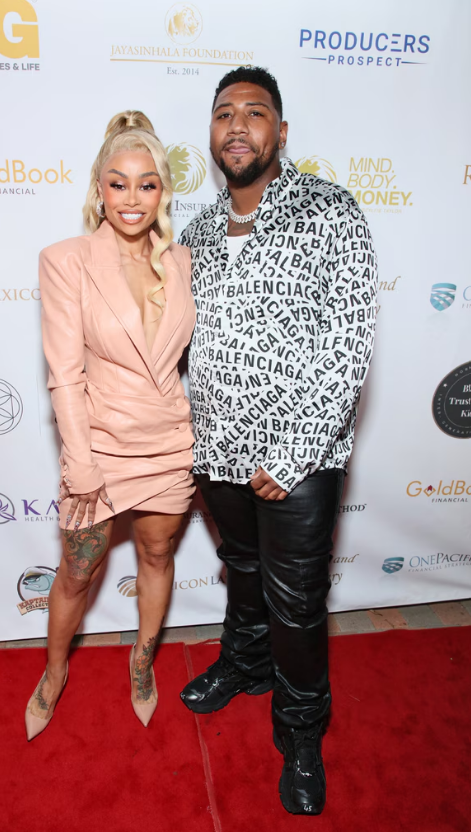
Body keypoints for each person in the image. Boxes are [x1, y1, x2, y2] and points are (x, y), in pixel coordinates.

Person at [179, 67, 377, 815]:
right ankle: (245, 664)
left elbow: (347, 346)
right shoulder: (197, 232)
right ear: (211, 134)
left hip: (298, 458)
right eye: (223, 113)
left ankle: (300, 732)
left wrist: (291, 456)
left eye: (254, 112)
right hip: (216, 449)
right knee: (242, 568)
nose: (237, 126)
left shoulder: (330, 211)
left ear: (281, 132)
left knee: (295, 601)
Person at [25, 111, 195, 740]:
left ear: (163, 191)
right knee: (77, 572)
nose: (131, 198)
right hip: (96, 451)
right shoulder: (66, 260)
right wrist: (81, 464)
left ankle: (142, 662)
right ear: (99, 188)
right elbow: (65, 375)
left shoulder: (183, 261)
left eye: (147, 184)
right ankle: (54, 671)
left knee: (157, 554)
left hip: (168, 445)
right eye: (118, 183)